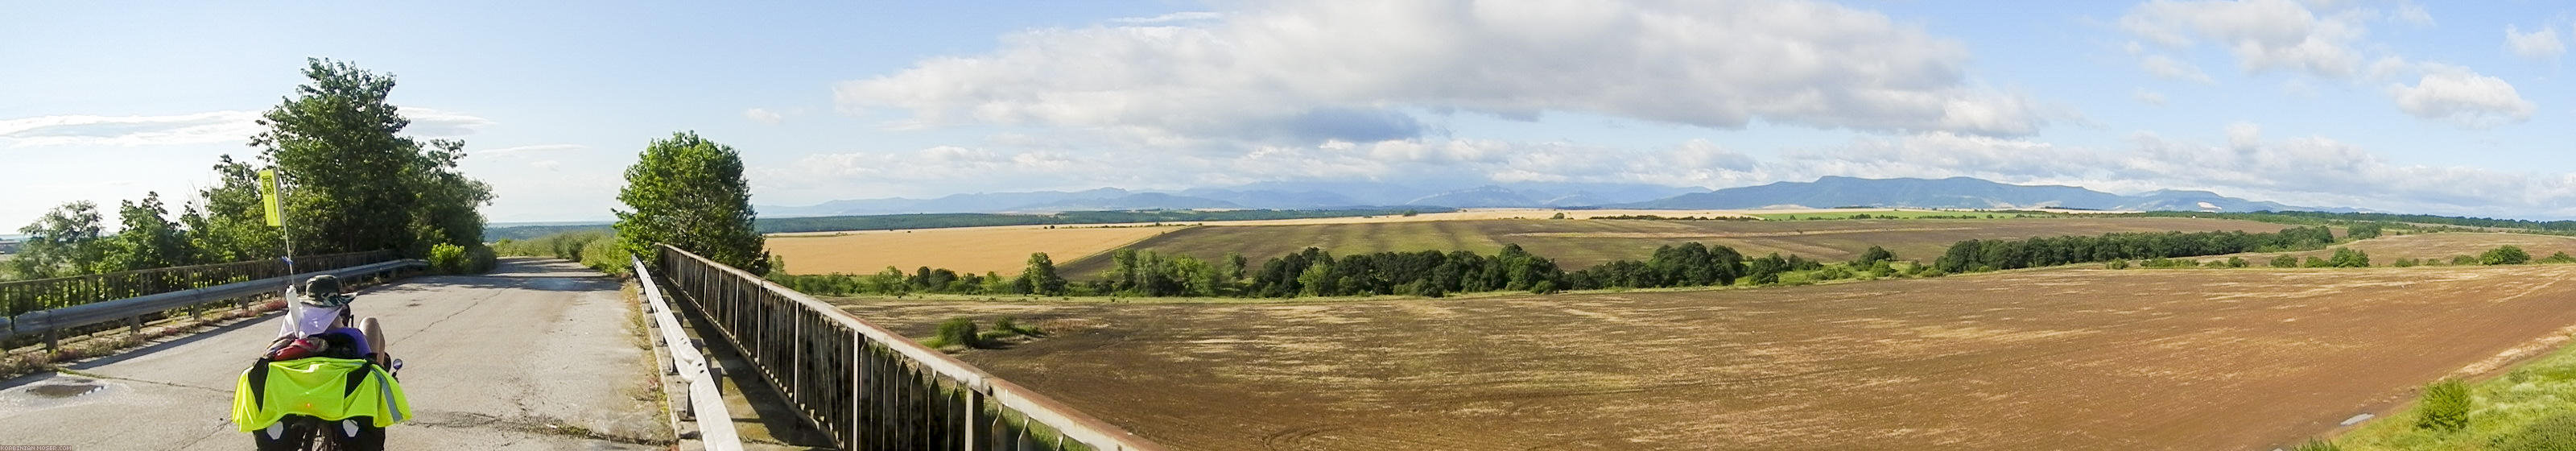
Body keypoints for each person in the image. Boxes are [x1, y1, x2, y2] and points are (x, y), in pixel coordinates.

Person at [269, 275, 390, 367]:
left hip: (305, 392)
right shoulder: (353, 336)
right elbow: (368, 366)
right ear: (337, 310)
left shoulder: (294, 341)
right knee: (370, 323)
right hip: (348, 392)